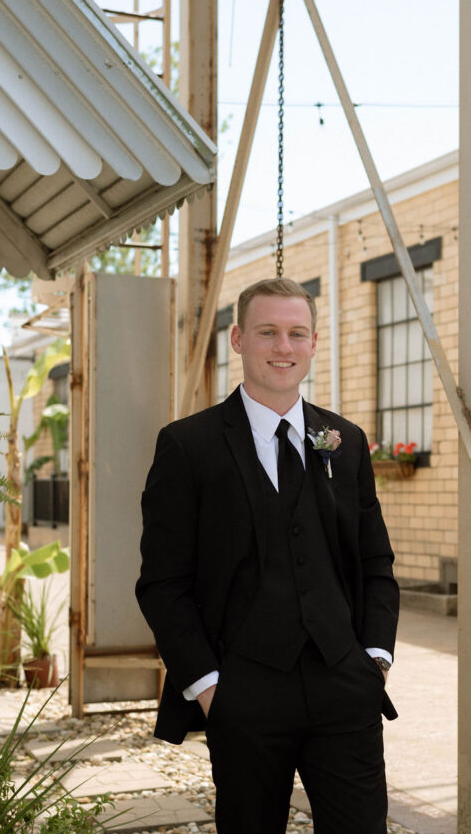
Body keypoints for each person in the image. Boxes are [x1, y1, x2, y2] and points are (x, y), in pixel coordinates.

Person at [136, 277, 399, 834]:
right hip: (243, 692)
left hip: (344, 687)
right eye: (268, 333)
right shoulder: (188, 445)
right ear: (238, 340)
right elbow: (162, 583)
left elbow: (376, 563)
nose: (284, 347)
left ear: (313, 342)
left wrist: (373, 661)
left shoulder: (345, 441)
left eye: (296, 333)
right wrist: (209, 689)